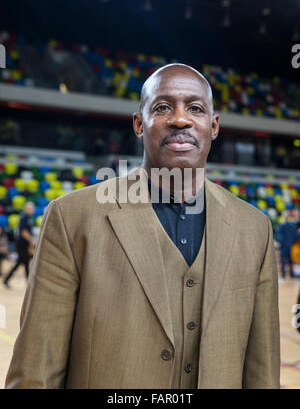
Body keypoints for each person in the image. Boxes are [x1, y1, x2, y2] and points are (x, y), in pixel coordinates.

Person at [6, 64, 280, 389]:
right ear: (139, 123)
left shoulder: (254, 228)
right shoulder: (71, 218)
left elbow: (262, 375)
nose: (180, 119)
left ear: (214, 125)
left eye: (195, 108)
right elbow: (36, 372)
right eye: (162, 107)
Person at [3, 202, 36, 288]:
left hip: (24, 245)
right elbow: (23, 232)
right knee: (22, 263)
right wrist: (31, 241)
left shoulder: (28, 218)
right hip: (22, 244)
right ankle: (28, 283)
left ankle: (28, 283)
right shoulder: (24, 218)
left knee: (23, 263)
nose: (33, 210)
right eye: (31, 209)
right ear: (26, 209)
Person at [276, 213, 297, 280]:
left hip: (284, 245)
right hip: (290, 245)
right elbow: (295, 236)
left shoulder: (281, 225)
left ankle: (283, 276)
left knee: (283, 261)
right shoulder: (293, 226)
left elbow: (279, 236)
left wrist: (281, 243)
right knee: (290, 260)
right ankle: (291, 275)